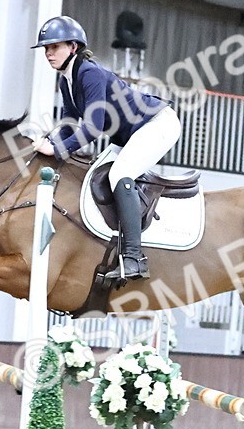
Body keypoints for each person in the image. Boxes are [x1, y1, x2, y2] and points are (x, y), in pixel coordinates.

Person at [30, 15, 180, 283]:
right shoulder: (66, 80)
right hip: (129, 135)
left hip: (158, 124)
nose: (48, 53)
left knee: (119, 175)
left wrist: (57, 150)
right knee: (94, 176)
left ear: (73, 47)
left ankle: (135, 258)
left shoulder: (89, 73)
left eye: (55, 47)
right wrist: (50, 143)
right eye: (46, 48)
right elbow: (69, 123)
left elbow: (93, 127)